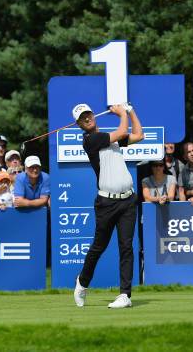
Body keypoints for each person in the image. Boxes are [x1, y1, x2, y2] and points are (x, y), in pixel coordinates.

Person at [72, 102, 143, 309]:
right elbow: (122, 131)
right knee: (99, 246)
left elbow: (139, 135)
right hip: (107, 202)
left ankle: (125, 295)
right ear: (79, 124)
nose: (87, 118)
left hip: (128, 200)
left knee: (126, 247)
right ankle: (82, 282)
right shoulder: (90, 140)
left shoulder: (109, 139)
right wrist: (121, 113)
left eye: (88, 114)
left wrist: (131, 111)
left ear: (93, 115)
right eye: (82, 118)